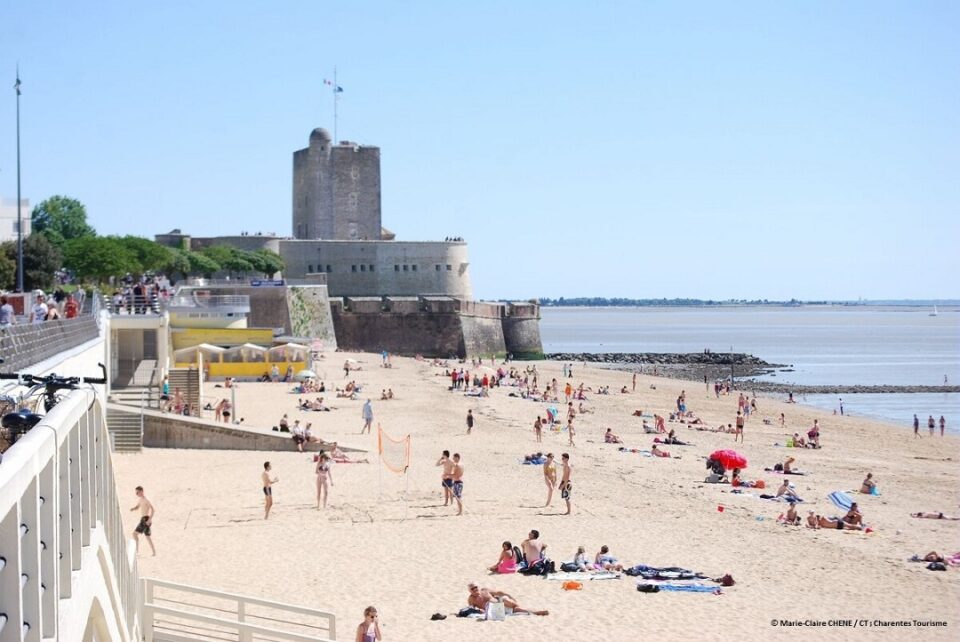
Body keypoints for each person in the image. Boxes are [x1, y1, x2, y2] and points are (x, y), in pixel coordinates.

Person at [466, 584, 548, 616]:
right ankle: (536, 612)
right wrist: (479, 610)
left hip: (501, 604)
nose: (475, 589)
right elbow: (472, 609)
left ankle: (537, 612)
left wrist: (509, 595)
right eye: (472, 588)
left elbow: (498, 592)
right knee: (517, 609)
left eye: (475, 587)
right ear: (470, 591)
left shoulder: (485, 590)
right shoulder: (471, 599)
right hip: (493, 610)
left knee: (506, 600)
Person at [129, 486, 156, 556]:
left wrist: (149, 520)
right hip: (143, 519)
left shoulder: (146, 500)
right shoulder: (140, 499)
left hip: (146, 519)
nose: (136, 494)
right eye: (136, 492)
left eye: (137, 492)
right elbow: (138, 507)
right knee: (147, 536)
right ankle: (154, 552)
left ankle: (136, 552)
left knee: (134, 534)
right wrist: (133, 508)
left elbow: (153, 510)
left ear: (141, 491)